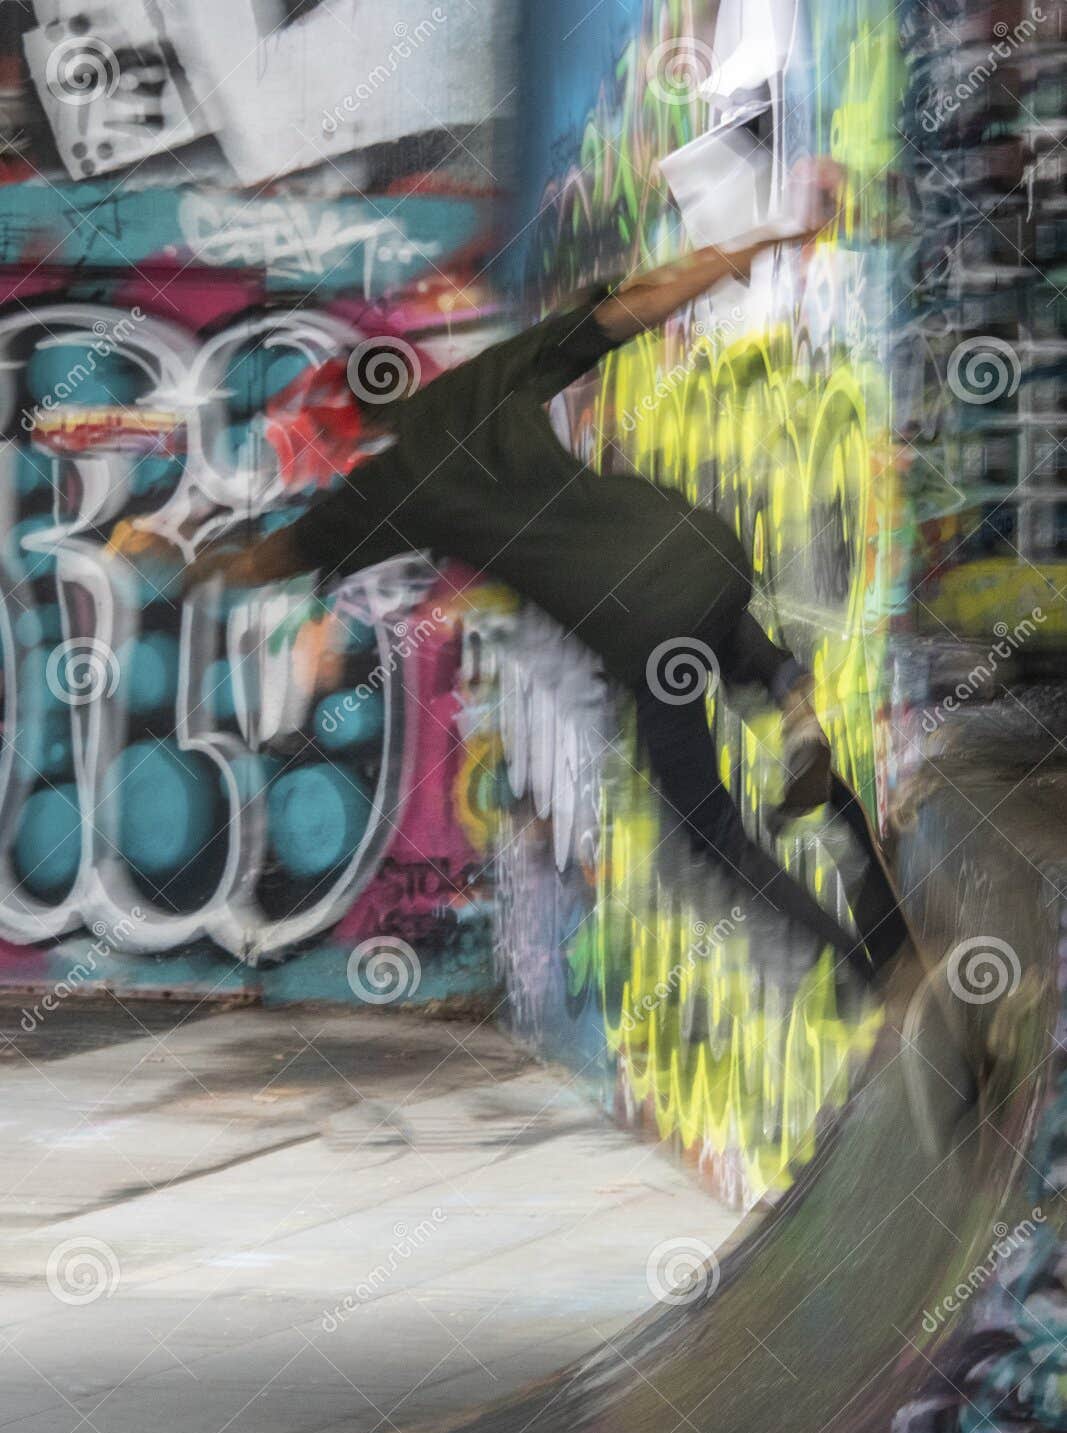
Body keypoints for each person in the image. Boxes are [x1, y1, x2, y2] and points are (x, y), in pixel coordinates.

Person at [186, 203, 874, 977]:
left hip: (638, 623)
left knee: (708, 829)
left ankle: (871, 971)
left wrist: (195, 565)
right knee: (719, 634)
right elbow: (639, 305)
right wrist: (754, 238)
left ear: (363, 431)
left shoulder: (389, 485)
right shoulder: (484, 381)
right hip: (697, 545)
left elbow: (276, 556)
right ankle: (790, 697)